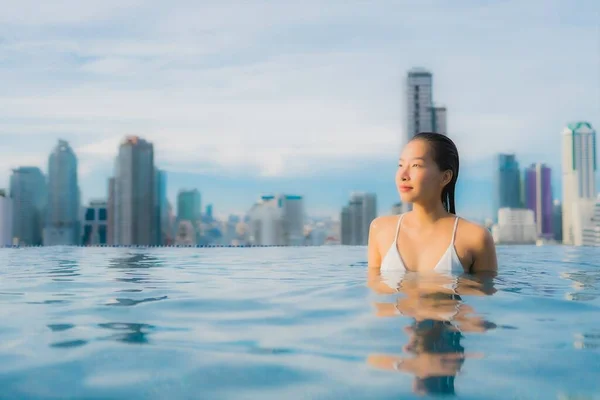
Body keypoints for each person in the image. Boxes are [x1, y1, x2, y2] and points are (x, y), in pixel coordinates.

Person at [368, 132, 497, 290]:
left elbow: (484, 306)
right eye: (400, 165)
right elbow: (374, 296)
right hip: (393, 314)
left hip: (448, 314)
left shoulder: (476, 238)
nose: (403, 175)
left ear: (445, 177)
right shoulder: (380, 229)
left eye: (416, 165)